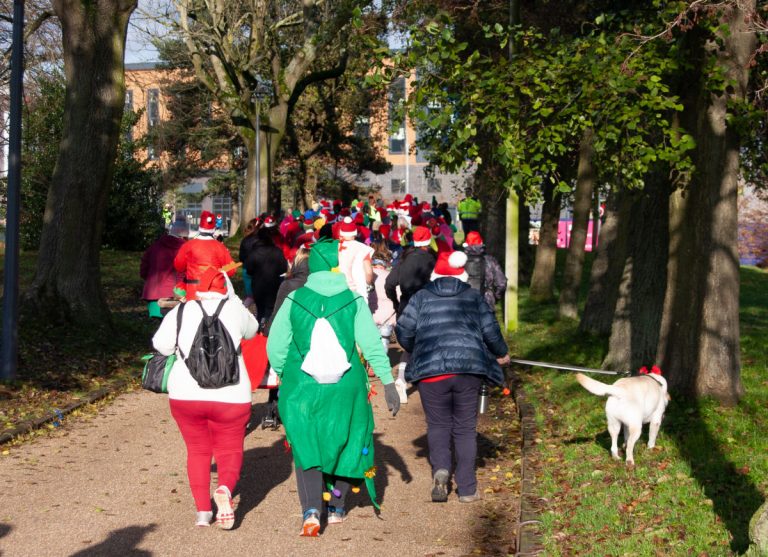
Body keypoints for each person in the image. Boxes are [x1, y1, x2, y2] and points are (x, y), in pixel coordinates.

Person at [266, 239, 400, 537]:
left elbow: (275, 346)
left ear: (312, 264)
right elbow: (371, 345)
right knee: (349, 439)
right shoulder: (353, 300)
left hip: (302, 386)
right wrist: (388, 382)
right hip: (346, 385)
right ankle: (337, 505)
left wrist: (284, 372)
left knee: (306, 444)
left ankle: (312, 511)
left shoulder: (294, 298)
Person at [395, 250, 510, 503]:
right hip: (468, 369)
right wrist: (501, 353)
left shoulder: (421, 297)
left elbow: (404, 331)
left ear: (435, 274)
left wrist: (417, 347)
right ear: (462, 274)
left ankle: (441, 470)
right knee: (465, 429)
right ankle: (467, 488)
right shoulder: (473, 297)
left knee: (438, 425)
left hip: (431, 372)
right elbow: (490, 330)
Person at [152, 268, 259, 528]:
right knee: (230, 448)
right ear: (225, 288)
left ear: (198, 288)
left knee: (197, 450)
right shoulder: (236, 309)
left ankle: (202, 511)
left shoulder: (181, 311)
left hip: (186, 394)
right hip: (232, 394)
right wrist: (234, 301)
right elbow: (253, 331)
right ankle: (225, 488)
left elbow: (161, 345)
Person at [384, 225, 436, 401]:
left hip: (406, 307)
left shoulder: (404, 259)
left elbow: (389, 283)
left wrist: (395, 302)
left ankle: (401, 379)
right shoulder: (432, 259)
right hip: (427, 306)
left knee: (408, 346)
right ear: (428, 241)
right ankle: (427, 383)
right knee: (428, 345)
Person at [174, 211, 237, 301]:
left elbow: (179, 267)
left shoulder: (188, 245)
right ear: (214, 229)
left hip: (193, 293)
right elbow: (231, 270)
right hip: (215, 294)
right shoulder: (220, 247)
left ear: (200, 227)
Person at [140, 218, 189, 319]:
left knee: (161, 325)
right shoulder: (186, 248)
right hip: (178, 295)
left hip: (154, 295)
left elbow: (143, 270)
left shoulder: (155, 246)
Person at [242, 225, 288, 327]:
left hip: (257, 286)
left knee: (260, 310)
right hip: (273, 286)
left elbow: (249, 270)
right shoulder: (277, 251)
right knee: (270, 310)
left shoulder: (253, 253)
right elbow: (283, 269)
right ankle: (267, 329)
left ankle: (259, 328)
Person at [462, 231, 507, 311]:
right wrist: (495, 296)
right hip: (486, 301)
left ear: (466, 244)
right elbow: (501, 283)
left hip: (465, 302)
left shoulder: (459, 261)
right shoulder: (490, 260)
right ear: (481, 243)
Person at [337, 216, 374, 297]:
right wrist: (368, 284)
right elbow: (368, 272)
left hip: (338, 289)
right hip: (357, 291)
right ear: (355, 233)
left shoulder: (335, 247)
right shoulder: (363, 248)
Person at [238, 218, 261, 308]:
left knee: (250, 297)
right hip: (260, 270)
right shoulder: (262, 240)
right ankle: (260, 315)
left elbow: (241, 257)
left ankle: (242, 310)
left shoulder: (245, 240)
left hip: (246, 269)